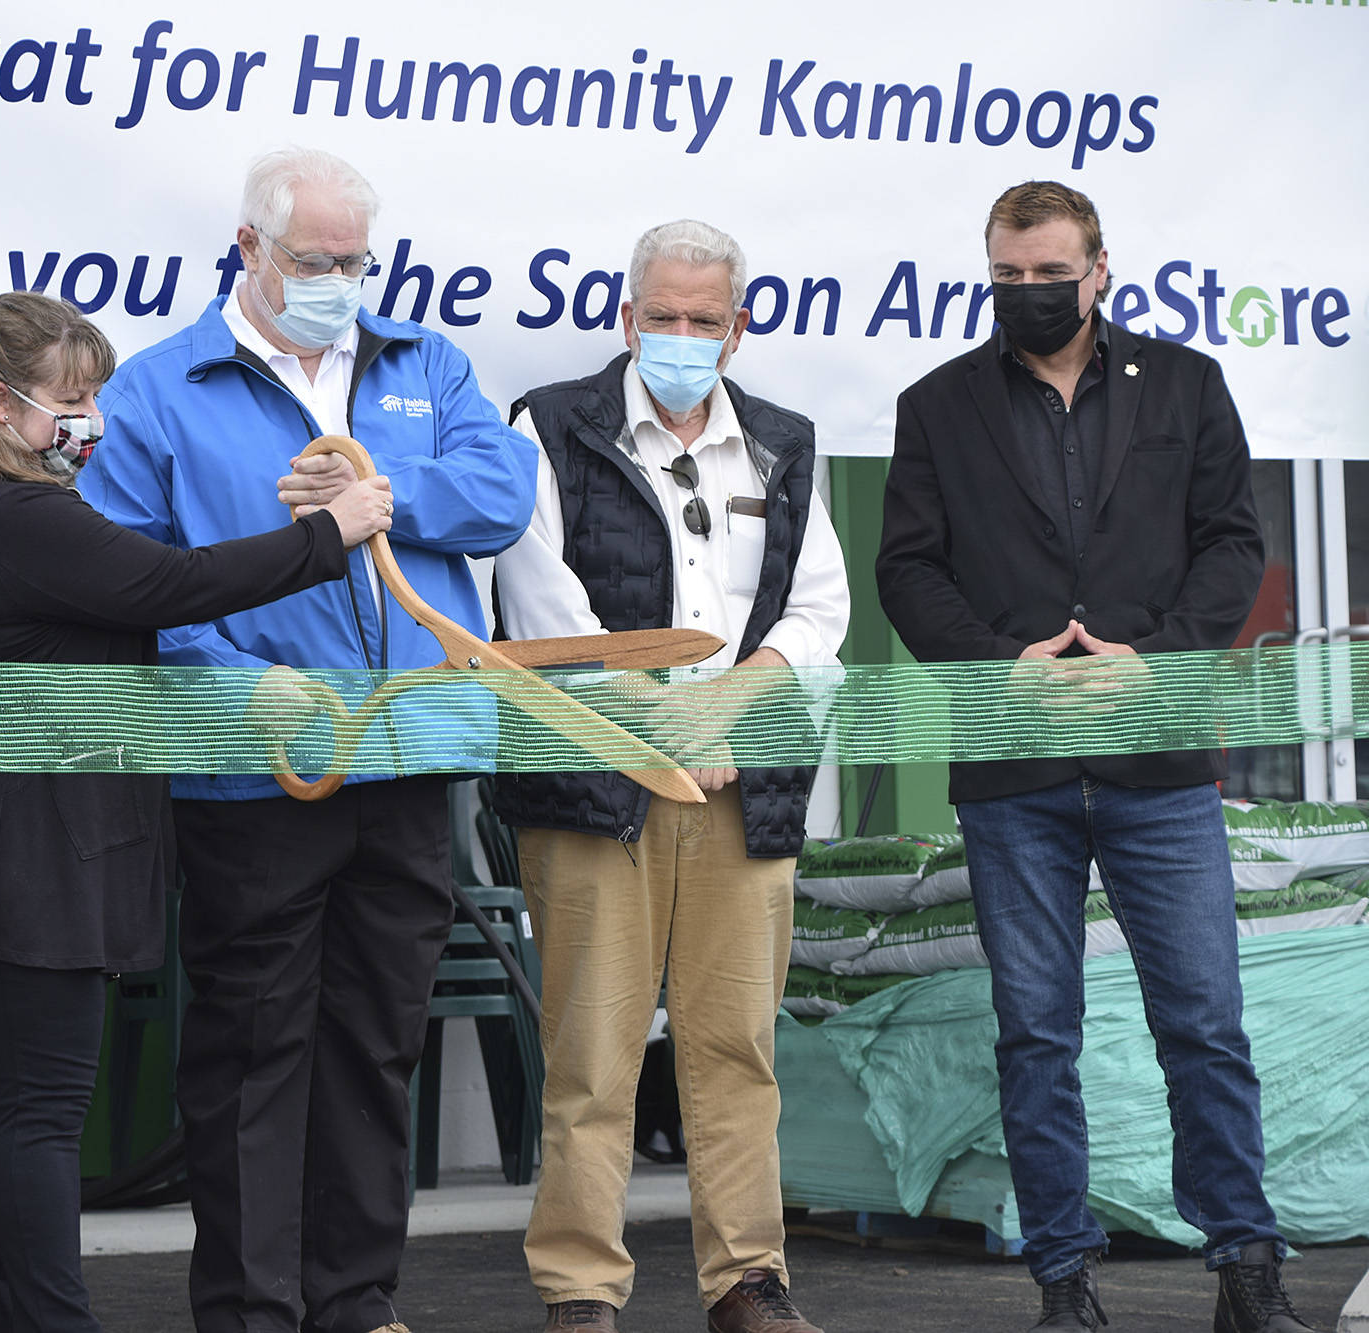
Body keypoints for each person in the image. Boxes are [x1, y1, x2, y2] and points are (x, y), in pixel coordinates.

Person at [0, 289, 391, 1332]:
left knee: (7, 1106)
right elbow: (169, 584)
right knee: (42, 1111)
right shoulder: (22, 516)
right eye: (72, 397)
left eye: (95, 395)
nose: (90, 418)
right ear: (0, 402)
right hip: (26, 855)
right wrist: (326, 534)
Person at [79, 146, 537, 1333]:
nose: (338, 279)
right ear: (248, 250)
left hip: (410, 756)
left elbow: (499, 492)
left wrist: (372, 495)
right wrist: (243, 691)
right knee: (251, 1055)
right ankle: (249, 1312)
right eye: (312, 260)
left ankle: (355, 1301)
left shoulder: (418, 360)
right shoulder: (157, 389)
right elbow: (124, 585)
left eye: (353, 260)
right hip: (255, 776)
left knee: (376, 1043)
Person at [876, 181, 1321, 1333]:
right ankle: (1062, 1280)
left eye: (1047, 274)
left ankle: (1243, 1266)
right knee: (1033, 1032)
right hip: (1011, 769)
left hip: (1157, 760)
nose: (1027, 294)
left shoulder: (1184, 384)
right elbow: (905, 569)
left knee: (1203, 1022)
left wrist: (1160, 660)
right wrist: (995, 661)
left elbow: (1231, 541)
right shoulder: (934, 405)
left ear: (1100, 269)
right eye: (1005, 277)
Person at [490, 219, 847, 1333]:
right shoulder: (551, 424)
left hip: (740, 788)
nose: (681, 336)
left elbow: (818, 607)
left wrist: (734, 708)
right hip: (600, 790)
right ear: (625, 315)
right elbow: (536, 601)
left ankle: (747, 1281)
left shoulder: (784, 441)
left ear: (737, 332)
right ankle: (580, 1291)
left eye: (704, 319)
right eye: (663, 316)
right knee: (591, 1056)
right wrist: (649, 725)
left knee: (734, 1049)